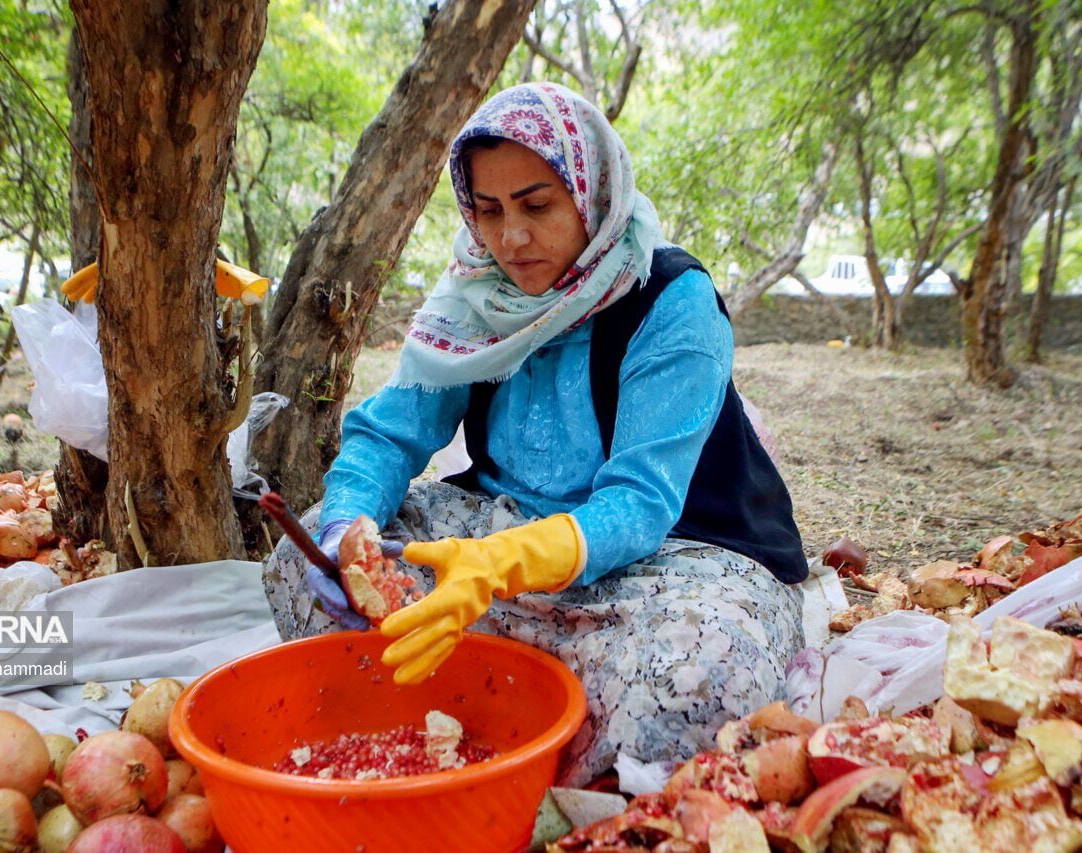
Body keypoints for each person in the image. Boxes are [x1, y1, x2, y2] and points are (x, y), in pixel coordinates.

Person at [262, 82, 808, 787]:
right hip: (499, 528)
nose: (510, 238)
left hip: (673, 553)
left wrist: (494, 567)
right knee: (295, 560)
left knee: (707, 671)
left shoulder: (672, 299)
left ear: (591, 192)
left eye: (537, 205)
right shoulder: (475, 290)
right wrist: (344, 527)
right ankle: (473, 717)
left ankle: (480, 706)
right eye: (487, 210)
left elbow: (640, 503)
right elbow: (393, 432)